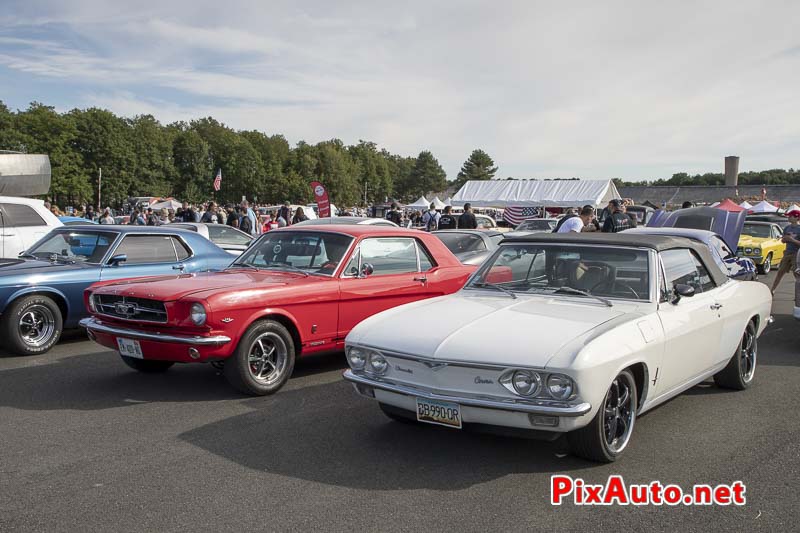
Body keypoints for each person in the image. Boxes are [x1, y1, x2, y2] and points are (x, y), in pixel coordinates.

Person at [771, 209, 800, 294]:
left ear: (796, 217)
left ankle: (798, 293)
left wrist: (792, 240)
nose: (788, 218)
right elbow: (783, 240)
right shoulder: (787, 228)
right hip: (787, 253)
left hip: (796, 254)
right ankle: (772, 290)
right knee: (780, 272)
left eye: (790, 216)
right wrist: (785, 239)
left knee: (797, 274)